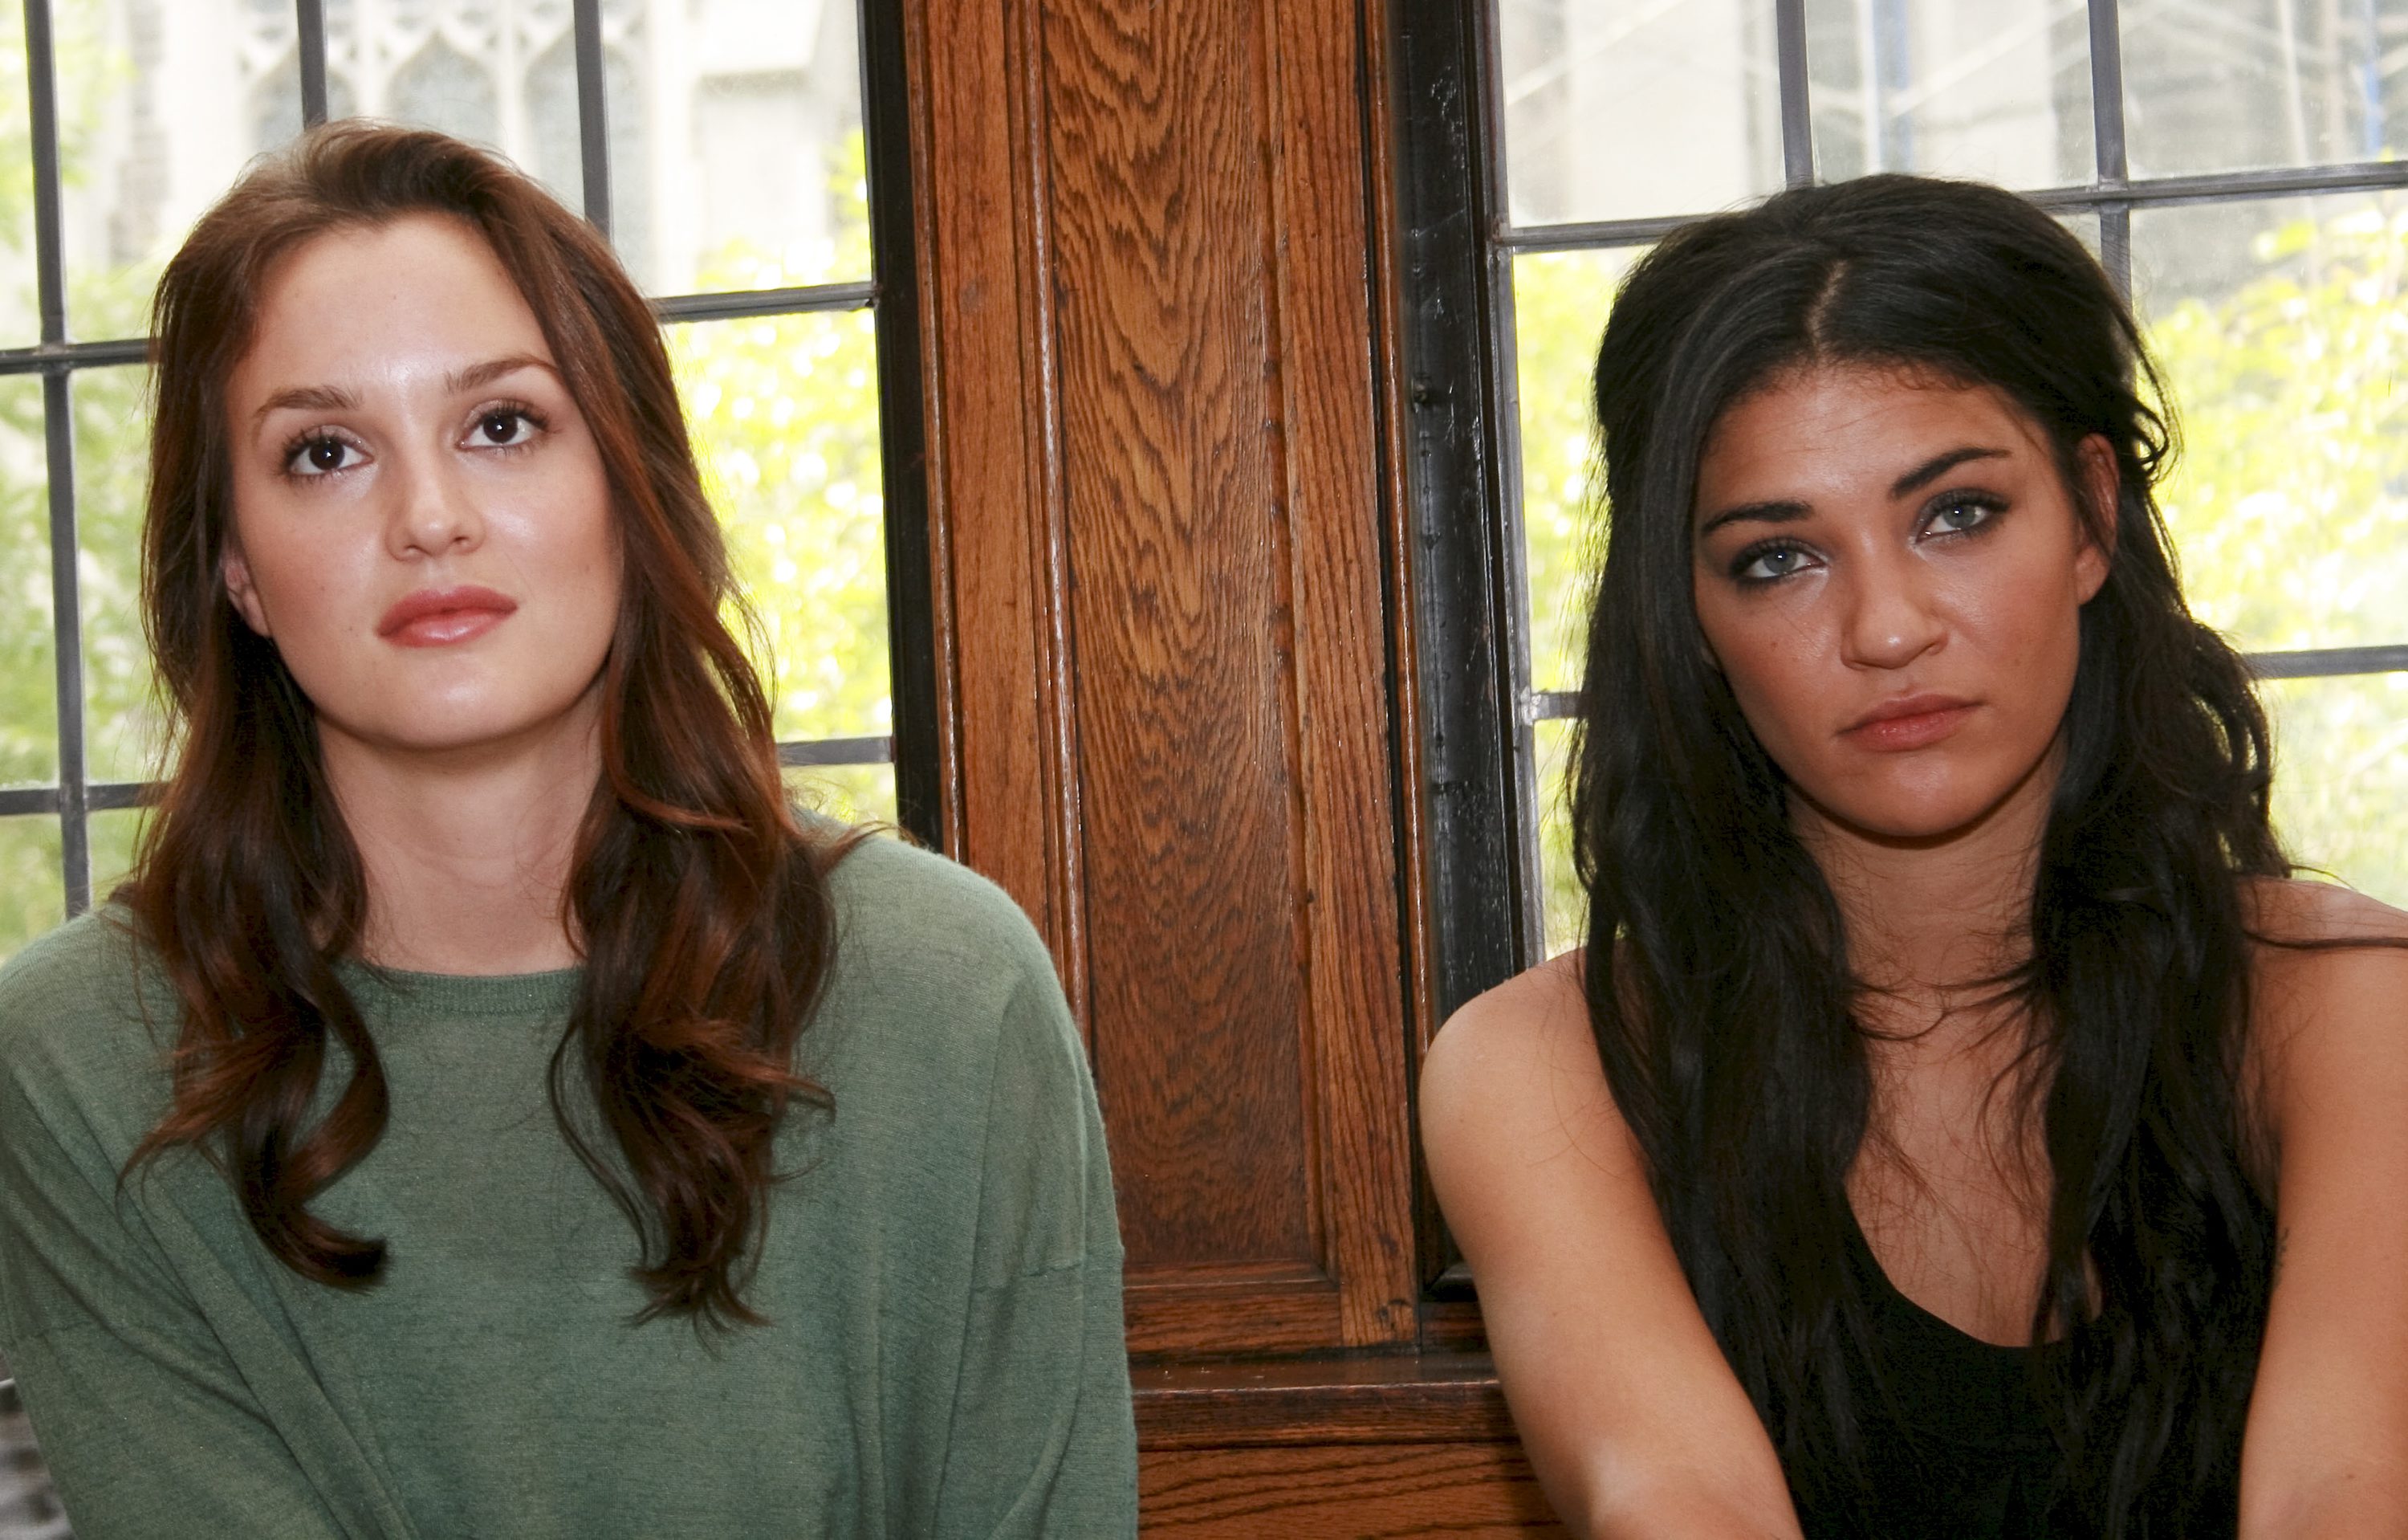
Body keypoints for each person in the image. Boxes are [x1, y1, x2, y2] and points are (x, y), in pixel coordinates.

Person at [0, 123, 1136, 1538]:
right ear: (236, 564)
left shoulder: (950, 992)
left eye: (502, 426)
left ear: (626, 482)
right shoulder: (80, 1056)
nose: (430, 518)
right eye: (326, 451)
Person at [1419, 174, 2408, 1539]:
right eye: (1779, 558)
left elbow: (2342, 1496)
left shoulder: (2347, 1004)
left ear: (2093, 518)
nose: (1886, 628)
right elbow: (1679, 1505)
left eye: (1957, 514)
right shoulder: (1545, 1066)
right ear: (1688, 613)